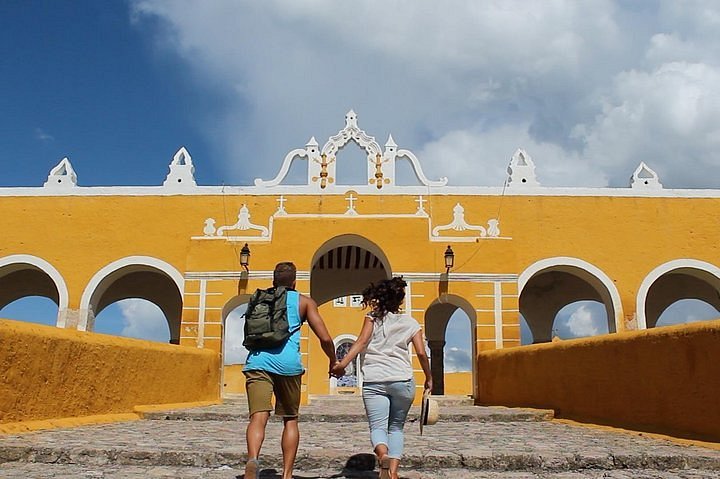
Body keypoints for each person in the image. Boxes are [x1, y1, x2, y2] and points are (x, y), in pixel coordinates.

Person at [243, 262, 340, 479]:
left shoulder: (261, 298)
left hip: (257, 362)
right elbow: (324, 337)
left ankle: (252, 459)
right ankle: (287, 474)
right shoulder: (304, 302)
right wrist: (333, 361)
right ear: (295, 281)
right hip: (288, 367)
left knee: (258, 417)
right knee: (290, 419)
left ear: (273, 280)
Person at [331, 277, 432, 479]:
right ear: (400, 300)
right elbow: (421, 353)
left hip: (374, 379)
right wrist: (429, 377)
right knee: (396, 427)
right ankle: (392, 473)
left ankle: (383, 455)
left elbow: (360, 343)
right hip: (402, 380)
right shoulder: (411, 323)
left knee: (377, 427)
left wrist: (342, 364)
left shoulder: (372, 318)